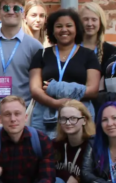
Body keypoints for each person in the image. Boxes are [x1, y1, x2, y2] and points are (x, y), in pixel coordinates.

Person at [29, 9, 101, 137]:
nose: (64, 30)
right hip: (46, 117)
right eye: (59, 26)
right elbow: (35, 89)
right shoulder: (42, 54)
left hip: (79, 115)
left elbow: (93, 90)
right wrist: (55, 103)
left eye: (69, 26)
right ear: (52, 30)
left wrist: (55, 89)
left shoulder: (88, 55)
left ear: (76, 28)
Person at [0, 0, 43, 107]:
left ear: (23, 14)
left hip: (24, 112)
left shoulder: (35, 47)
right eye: (6, 8)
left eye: (17, 8)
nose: (11, 12)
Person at [80, 2, 116, 70]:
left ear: (100, 22)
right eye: (86, 19)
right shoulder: (72, 48)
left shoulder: (110, 50)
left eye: (94, 20)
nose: (89, 23)